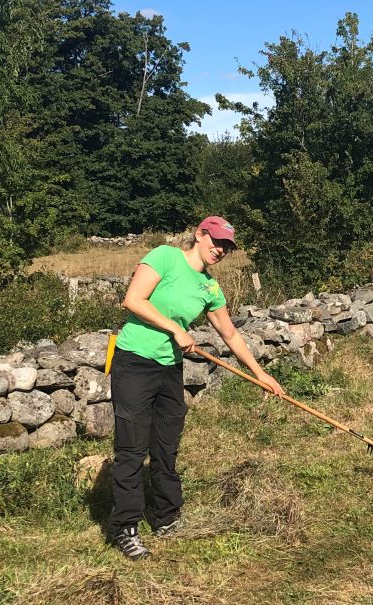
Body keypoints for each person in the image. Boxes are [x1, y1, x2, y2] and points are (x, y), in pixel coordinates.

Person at [108, 216, 285, 560]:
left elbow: (230, 334)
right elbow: (133, 300)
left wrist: (260, 373)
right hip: (134, 362)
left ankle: (166, 518)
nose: (220, 250)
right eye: (216, 241)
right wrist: (174, 328)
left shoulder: (210, 287)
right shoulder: (165, 257)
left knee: (165, 447)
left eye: (227, 247)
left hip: (168, 368)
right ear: (199, 234)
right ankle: (125, 528)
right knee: (131, 449)